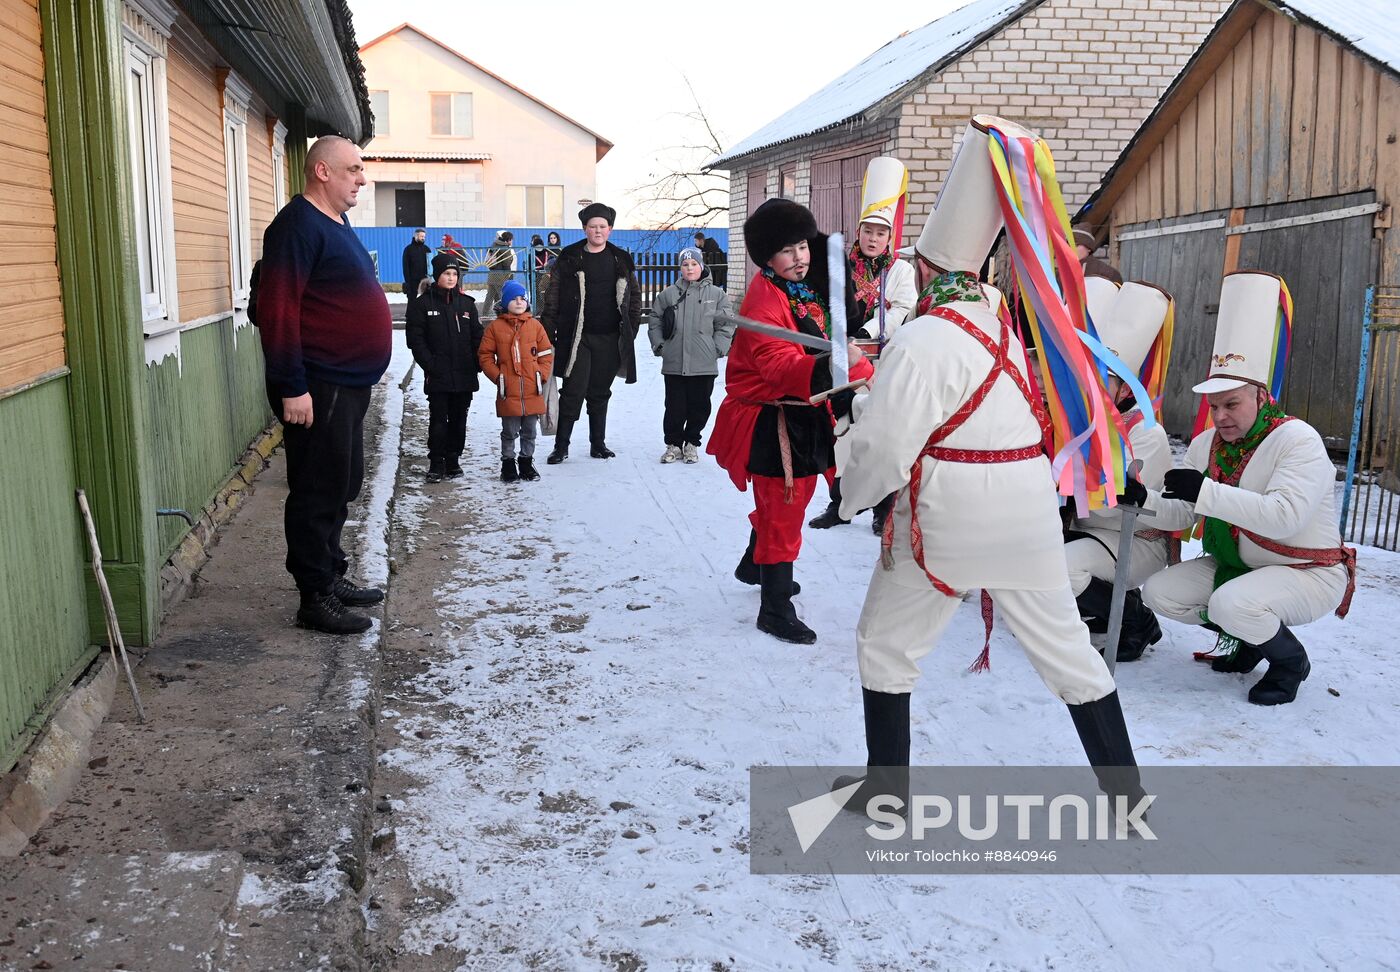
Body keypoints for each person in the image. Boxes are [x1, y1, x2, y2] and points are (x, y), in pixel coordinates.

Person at [835, 116, 1141, 810]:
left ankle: (888, 794)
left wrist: (850, 496)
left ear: (925, 267)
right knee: (1070, 656)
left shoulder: (924, 338)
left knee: (886, 646)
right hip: (1027, 511)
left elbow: (883, 448)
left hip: (948, 514)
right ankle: (1129, 795)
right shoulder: (1001, 318)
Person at [1141, 271, 1355, 706]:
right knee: (1159, 593)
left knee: (1231, 604)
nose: (1220, 416)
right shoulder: (1207, 444)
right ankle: (1253, 639)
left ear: (1260, 396)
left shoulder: (1297, 440)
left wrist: (1204, 492)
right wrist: (1138, 500)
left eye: (1232, 403)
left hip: (1306, 571)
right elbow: (1183, 516)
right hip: (1240, 565)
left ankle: (1290, 662)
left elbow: (1284, 516)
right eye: (1214, 406)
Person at [706, 198, 874, 645]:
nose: (799, 257)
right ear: (767, 259)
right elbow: (780, 368)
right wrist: (847, 367)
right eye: (787, 251)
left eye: (802, 245)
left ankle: (753, 565)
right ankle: (774, 608)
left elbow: (833, 327)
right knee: (784, 508)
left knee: (786, 505)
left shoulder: (801, 286)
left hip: (804, 410)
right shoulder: (765, 300)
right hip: (772, 419)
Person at [258, 135, 392, 635]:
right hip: (318, 382)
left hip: (347, 382)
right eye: (354, 169)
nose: (361, 178)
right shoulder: (296, 226)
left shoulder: (336, 221)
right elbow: (277, 308)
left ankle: (331, 574)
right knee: (317, 489)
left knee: (342, 483)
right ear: (322, 172)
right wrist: (292, 384)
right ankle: (313, 597)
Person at [1065, 277, 1175, 662]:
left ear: (1125, 391)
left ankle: (1136, 618)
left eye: (1102, 380)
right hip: (1086, 531)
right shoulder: (1071, 425)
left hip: (1136, 540)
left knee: (1059, 573)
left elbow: (1143, 512)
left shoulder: (1145, 433)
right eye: (1084, 378)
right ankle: (1098, 608)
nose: (1089, 389)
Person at [810, 156, 916, 533]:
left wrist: (869, 330)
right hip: (840, 359)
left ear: (890, 238)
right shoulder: (840, 263)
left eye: (880, 233)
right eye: (867, 230)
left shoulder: (900, 270)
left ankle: (882, 510)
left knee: (879, 435)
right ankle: (839, 505)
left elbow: (903, 306)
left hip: (881, 360)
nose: (872, 238)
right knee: (842, 432)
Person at [540, 203, 642, 462]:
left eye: (602, 227)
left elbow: (634, 299)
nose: (598, 231)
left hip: (609, 337)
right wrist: (547, 330)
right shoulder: (570, 257)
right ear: (585, 229)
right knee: (573, 391)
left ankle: (598, 443)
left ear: (609, 229)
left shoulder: (621, 259)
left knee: (600, 391)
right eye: (593, 226)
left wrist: (629, 330)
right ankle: (561, 446)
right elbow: (553, 296)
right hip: (577, 337)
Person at [647, 246, 735, 463]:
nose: (690, 268)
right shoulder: (668, 294)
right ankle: (674, 445)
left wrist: (716, 348)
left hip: (703, 363)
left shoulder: (716, 295)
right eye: (685, 265)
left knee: (700, 406)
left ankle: (692, 443)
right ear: (680, 268)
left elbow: (725, 325)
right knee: (674, 406)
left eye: (694, 264)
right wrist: (660, 346)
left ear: (701, 265)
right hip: (675, 362)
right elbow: (655, 319)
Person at [406, 251, 484, 483]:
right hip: (438, 375)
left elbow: (478, 338)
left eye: (454, 274)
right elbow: (416, 340)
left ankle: (453, 459)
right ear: (437, 275)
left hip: (464, 375)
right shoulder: (422, 305)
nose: (451, 278)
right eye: (446, 273)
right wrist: (431, 365)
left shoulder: (467, 304)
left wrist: (477, 363)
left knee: (459, 420)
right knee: (439, 420)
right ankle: (436, 461)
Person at [479, 279, 554, 483]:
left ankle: (526, 462)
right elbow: (485, 356)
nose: (520, 302)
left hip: (532, 389)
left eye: (523, 298)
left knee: (530, 430)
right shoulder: (495, 328)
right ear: (505, 303)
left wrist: (541, 374)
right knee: (510, 430)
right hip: (508, 390)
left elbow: (546, 353)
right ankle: (508, 464)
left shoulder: (535, 326)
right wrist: (498, 376)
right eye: (514, 299)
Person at [482, 230, 516, 319]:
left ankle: (484, 314)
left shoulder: (493, 245)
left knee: (489, 296)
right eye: (511, 240)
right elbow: (506, 262)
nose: (512, 242)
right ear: (508, 240)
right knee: (503, 295)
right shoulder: (504, 248)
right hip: (501, 276)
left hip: (492, 274)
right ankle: (505, 314)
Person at [402, 228, 430, 315]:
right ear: (416, 236)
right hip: (412, 280)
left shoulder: (427, 249)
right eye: (421, 236)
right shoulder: (408, 249)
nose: (423, 238)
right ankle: (410, 316)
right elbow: (405, 266)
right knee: (412, 300)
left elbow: (430, 265)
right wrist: (407, 281)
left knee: (426, 299)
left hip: (424, 279)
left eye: (424, 237)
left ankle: (423, 315)